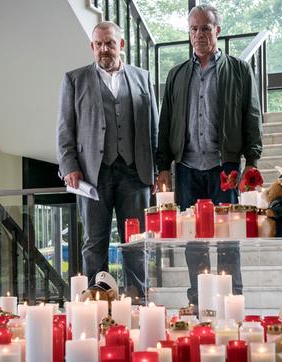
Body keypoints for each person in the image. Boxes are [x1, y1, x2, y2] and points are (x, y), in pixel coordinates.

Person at [156, 5, 263, 309]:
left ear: (217, 30)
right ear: (188, 33)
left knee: (228, 238)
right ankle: (199, 299)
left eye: (205, 28)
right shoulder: (176, 75)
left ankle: (232, 300)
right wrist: (163, 166)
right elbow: (165, 123)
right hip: (187, 168)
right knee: (194, 241)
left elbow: (252, 117)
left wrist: (252, 164)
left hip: (225, 167)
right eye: (193, 29)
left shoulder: (239, 70)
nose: (199, 34)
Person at [56, 21, 158, 299]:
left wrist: (158, 171)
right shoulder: (74, 80)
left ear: (121, 45)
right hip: (91, 174)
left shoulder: (142, 77)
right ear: (92, 47)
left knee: (136, 241)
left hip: (135, 173)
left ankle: (137, 296)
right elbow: (65, 128)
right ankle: (96, 297)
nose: (104, 49)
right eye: (99, 44)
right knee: (94, 241)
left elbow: (153, 127)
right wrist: (70, 166)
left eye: (110, 43)